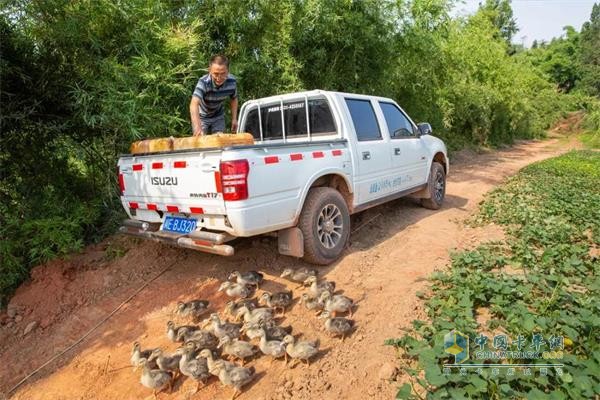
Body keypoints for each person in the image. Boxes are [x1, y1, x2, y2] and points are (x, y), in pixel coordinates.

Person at [190, 55, 238, 136]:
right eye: (216, 74)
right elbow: (194, 104)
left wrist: (234, 119)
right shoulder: (203, 82)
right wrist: (197, 126)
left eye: (223, 74)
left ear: (228, 71)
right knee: (200, 142)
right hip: (202, 117)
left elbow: (234, 98)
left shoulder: (232, 82)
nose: (219, 78)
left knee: (220, 143)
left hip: (218, 116)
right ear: (210, 71)